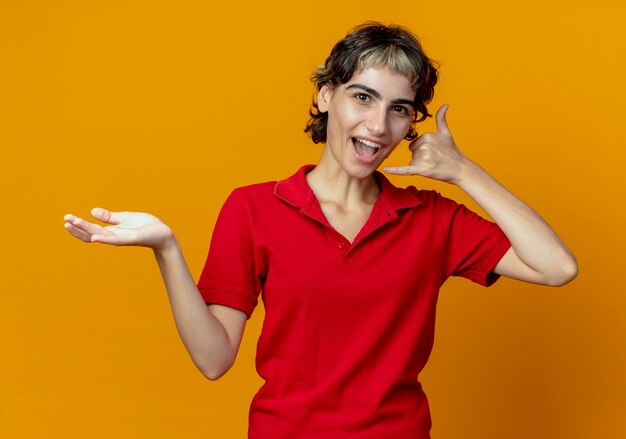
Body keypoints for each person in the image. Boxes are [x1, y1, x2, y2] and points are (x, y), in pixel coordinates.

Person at [63, 22, 578, 439]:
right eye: (363, 97)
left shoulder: (432, 218)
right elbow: (215, 359)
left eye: (398, 109)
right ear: (327, 95)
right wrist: (167, 249)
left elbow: (557, 267)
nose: (378, 126)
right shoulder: (254, 208)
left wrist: (464, 171)